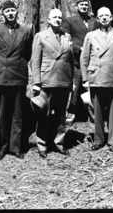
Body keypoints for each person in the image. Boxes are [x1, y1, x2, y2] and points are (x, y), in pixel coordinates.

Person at [0, 0, 33, 160]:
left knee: (18, 113)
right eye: (7, 11)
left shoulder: (26, 31)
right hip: (3, 77)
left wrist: (17, 65)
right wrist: (2, 66)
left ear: (17, 12)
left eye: (13, 10)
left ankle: (16, 147)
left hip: (19, 76)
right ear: (3, 14)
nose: (11, 13)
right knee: (3, 114)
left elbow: (27, 54)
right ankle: (3, 146)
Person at [80, 6, 113, 152]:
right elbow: (84, 59)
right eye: (101, 16)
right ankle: (98, 139)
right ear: (98, 18)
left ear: (112, 17)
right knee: (98, 111)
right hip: (96, 77)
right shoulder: (90, 35)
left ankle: (112, 140)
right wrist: (85, 79)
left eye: (106, 15)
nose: (104, 18)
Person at [31, 9, 74, 158]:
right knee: (44, 114)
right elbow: (35, 62)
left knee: (61, 115)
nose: (57, 19)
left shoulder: (66, 36)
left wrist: (71, 81)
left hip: (63, 80)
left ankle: (59, 142)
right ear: (48, 20)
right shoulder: (41, 36)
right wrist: (36, 82)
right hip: (46, 80)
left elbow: (70, 60)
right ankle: (42, 145)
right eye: (54, 17)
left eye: (60, 17)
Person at [61, 0, 99, 124]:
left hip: (93, 61)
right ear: (76, 7)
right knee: (75, 88)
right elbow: (65, 40)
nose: (84, 7)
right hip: (77, 61)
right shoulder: (70, 21)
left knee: (92, 88)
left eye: (86, 5)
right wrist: (79, 48)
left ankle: (93, 114)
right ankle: (70, 113)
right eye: (81, 5)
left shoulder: (94, 21)